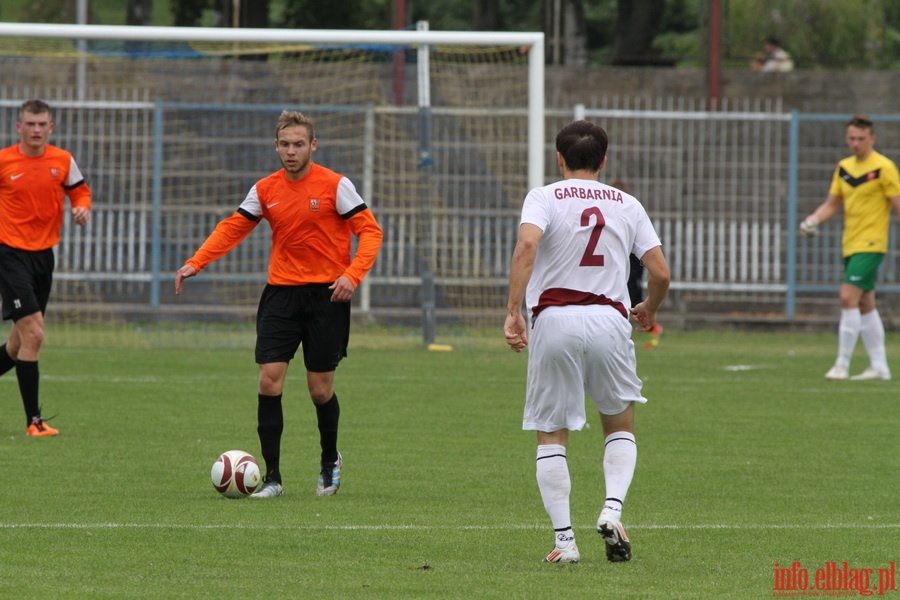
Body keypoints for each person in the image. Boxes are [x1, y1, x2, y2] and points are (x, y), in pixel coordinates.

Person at [175, 110, 383, 497]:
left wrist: (351, 275)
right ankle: (272, 478)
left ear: (313, 146)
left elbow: (370, 232)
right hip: (281, 295)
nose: (291, 151)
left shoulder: (336, 186)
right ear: (276, 146)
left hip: (327, 297)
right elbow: (233, 226)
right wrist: (195, 261)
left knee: (320, 391)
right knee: (269, 381)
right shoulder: (265, 189)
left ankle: (328, 461)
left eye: (299, 144)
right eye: (285, 144)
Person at [504, 121, 670, 564]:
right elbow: (661, 273)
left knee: (551, 433)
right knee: (618, 425)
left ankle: (565, 543)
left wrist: (512, 311)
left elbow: (526, 247)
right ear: (604, 159)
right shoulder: (627, 204)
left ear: (559, 159)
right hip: (609, 321)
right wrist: (649, 309)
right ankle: (612, 510)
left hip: (555, 319)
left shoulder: (543, 197)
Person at [0, 99, 91, 437]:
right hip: (10, 254)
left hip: (44, 257)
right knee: (35, 334)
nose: (36, 130)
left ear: (50, 128)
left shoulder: (62, 160)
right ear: (18, 127)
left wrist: (82, 208)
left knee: (17, 345)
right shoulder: (4, 161)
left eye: (42, 124)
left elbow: (80, 192)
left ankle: (33, 421)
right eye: (30, 124)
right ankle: (33, 422)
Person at [800, 115, 900, 381]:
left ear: (872, 139)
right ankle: (880, 366)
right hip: (850, 243)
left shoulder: (884, 167)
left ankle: (842, 364)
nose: (855, 144)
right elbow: (832, 203)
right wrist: (812, 220)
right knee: (865, 303)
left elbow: (897, 203)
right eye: (851, 138)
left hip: (872, 243)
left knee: (847, 296)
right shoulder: (844, 167)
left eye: (861, 139)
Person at [612, 180, 664, 350]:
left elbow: (661, 274)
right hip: (629, 270)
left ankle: (653, 330)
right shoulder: (629, 212)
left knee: (633, 301)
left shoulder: (627, 214)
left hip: (631, 270)